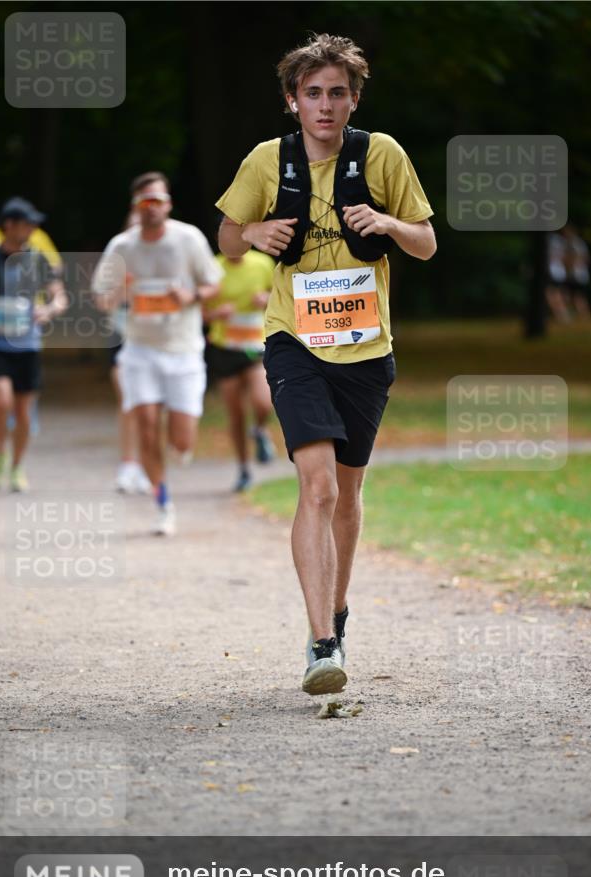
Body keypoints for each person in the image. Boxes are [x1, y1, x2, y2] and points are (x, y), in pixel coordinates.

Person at [216, 33, 435, 695]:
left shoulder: (381, 155)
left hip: (367, 352)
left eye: (336, 92)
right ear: (292, 100)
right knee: (318, 488)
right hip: (294, 345)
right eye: (312, 93)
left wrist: (390, 225)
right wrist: (252, 233)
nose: (324, 104)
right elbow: (226, 237)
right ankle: (319, 645)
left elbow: (424, 243)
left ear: (353, 99)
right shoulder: (266, 161)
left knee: (347, 496)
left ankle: (336, 615)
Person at [92, 172, 222, 535]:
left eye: (157, 201)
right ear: (136, 206)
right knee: (147, 426)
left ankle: (179, 450)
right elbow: (101, 297)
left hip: (183, 351)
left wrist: (191, 296)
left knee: (181, 441)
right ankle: (162, 502)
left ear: (168, 204)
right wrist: (117, 294)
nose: (151, 208)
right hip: (139, 350)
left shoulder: (188, 239)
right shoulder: (122, 246)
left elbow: (213, 283)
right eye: (144, 202)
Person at [0, 198, 67, 491]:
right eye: (26, 223)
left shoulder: (38, 259)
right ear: (8, 225)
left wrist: (50, 309)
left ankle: (16, 466)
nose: (32, 228)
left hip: (27, 345)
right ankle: (1, 454)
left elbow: (59, 296)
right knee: (1, 401)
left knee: (24, 414)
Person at [203, 248, 276, 492]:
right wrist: (216, 314)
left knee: (263, 402)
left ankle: (259, 429)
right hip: (225, 346)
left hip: (256, 344)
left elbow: (283, 296)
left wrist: (267, 299)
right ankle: (244, 469)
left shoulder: (263, 263)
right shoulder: (211, 267)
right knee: (235, 414)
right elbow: (198, 311)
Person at [107, 208, 152, 495]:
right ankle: (128, 464)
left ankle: (148, 466)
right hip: (124, 338)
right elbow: (103, 299)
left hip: (157, 340)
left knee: (150, 407)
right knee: (127, 401)